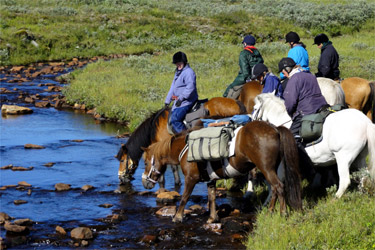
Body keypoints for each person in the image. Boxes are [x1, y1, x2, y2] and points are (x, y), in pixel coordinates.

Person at [278, 57, 327, 140]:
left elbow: (290, 103)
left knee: (290, 138)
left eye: (283, 72)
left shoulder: (293, 79)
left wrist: (291, 114)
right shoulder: (310, 75)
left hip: (307, 111)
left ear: (287, 69)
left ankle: (304, 153)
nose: (284, 75)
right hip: (322, 107)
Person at [165, 51, 198, 133]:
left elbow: (190, 87)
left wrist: (181, 98)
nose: (178, 64)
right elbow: (173, 87)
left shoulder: (189, 72)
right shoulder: (178, 73)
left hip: (186, 101)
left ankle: (186, 137)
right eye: (176, 63)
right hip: (179, 101)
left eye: (179, 62)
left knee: (175, 120)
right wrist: (167, 101)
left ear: (184, 62)